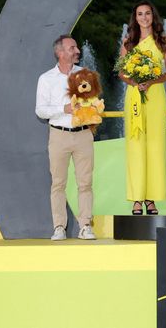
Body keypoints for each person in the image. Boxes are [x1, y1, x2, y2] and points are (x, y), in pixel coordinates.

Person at [35, 34, 96, 241]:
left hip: (84, 134)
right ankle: (59, 227)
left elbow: (94, 100)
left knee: (85, 183)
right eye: (72, 48)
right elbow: (40, 111)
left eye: (76, 47)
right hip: (59, 135)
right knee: (58, 183)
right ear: (59, 53)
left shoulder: (86, 75)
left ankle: (86, 225)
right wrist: (65, 109)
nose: (76, 51)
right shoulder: (46, 79)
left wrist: (93, 109)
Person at [118, 1, 166, 216]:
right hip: (134, 97)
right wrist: (134, 82)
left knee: (155, 147)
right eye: (140, 14)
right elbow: (122, 73)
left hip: (155, 97)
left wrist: (151, 81)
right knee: (135, 147)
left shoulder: (164, 42)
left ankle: (151, 199)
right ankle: (136, 199)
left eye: (148, 13)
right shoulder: (128, 43)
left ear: (153, 16)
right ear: (135, 18)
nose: (144, 17)